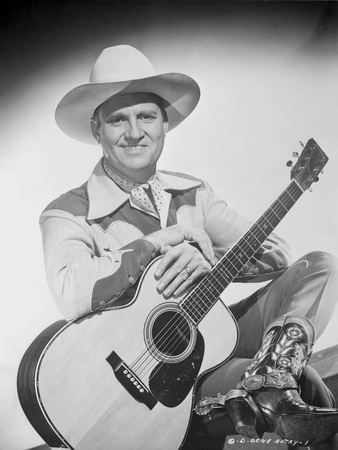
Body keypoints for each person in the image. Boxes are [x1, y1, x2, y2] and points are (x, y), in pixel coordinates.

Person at [40, 45, 338, 449]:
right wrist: (152, 244)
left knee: (319, 264)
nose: (134, 132)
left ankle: (271, 373)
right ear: (97, 130)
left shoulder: (194, 193)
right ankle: (272, 382)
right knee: (311, 383)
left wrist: (210, 260)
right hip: (162, 387)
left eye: (146, 116)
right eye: (117, 120)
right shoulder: (68, 213)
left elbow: (276, 251)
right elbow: (71, 293)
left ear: (165, 124)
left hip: (211, 339)